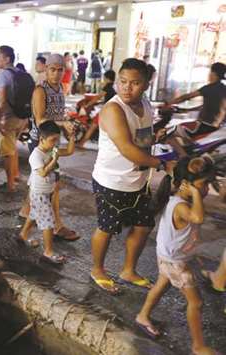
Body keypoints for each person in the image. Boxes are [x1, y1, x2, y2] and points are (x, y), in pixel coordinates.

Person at [90, 58, 176, 294]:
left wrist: (158, 133)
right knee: (107, 227)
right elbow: (128, 149)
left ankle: (128, 270)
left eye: (135, 83)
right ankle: (97, 269)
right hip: (112, 181)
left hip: (138, 181)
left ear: (146, 84)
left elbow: (143, 137)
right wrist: (163, 164)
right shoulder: (113, 109)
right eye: (123, 81)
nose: (127, 87)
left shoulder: (145, 104)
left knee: (143, 225)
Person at [136, 157, 217, 355]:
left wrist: (195, 191)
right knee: (196, 303)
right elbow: (198, 217)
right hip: (174, 263)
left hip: (170, 258)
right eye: (203, 184)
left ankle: (142, 316)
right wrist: (196, 194)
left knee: (161, 285)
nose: (207, 189)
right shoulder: (181, 206)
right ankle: (198, 346)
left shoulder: (178, 200)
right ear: (187, 186)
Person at [24, 53, 78, 241]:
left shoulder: (60, 88)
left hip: (52, 141)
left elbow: (57, 116)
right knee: (51, 184)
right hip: (40, 143)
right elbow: (39, 120)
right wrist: (63, 123)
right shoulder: (40, 90)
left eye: (60, 70)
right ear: (46, 70)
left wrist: (66, 125)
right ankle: (56, 225)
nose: (56, 73)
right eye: (52, 69)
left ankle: (26, 217)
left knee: (40, 183)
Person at [18, 120, 75, 263]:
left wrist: (72, 137)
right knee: (48, 221)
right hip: (39, 192)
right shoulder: (35, 155)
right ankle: (48, 251)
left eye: (57, 139)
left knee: (34, 214)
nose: (55, 143)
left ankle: (23, 235)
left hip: (46, 191)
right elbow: (42, 172)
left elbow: (69, 151)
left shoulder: (51, 150)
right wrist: (53, 159)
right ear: (41, 139)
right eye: (53, 140)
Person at [0, 45, 30, 193]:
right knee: (12, 148)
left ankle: (9, 185)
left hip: (7, 120)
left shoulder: (2, 75)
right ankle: (15, 176)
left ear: (7, 58)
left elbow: (2, 101)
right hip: (21, 117)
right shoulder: (20, 73)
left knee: (7, 153)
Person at [162, 62, 226, 138]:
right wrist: (188, 110)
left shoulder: (209, 88)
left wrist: (168, 103)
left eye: (210, 72)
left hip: (203, 125)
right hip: (216, 127)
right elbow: (211, 106)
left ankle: (182, 150)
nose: (208, 74)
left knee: (171, 132)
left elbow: (186, 97)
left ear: (213, 73)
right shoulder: (223, 88)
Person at [78, 69, 116, 147]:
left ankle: (81, 143)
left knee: (93, 125)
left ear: (107, 78)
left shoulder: (107, 87)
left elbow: (98, 97)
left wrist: (88, 105)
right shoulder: (113, 87)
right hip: (111, 109)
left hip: (107, 111)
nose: (103, 80)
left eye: (104, 78)